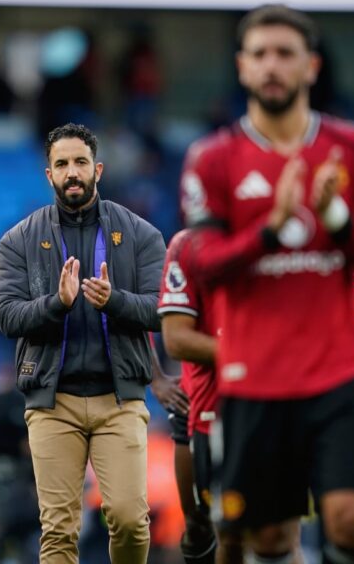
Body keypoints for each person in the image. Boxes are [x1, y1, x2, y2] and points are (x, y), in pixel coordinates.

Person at [178, 5, 354, 564]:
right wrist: (270, 233)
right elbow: (203, 263)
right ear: (242, 67)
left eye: (285, 54)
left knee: (350, 523)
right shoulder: (212, 159)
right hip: (255, 376)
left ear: (311, 66)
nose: (271, 66)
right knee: (271, 538)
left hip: (338, 371)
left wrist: (335, 219)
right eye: (260, 55)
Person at [0, 122, 166, 563]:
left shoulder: (142, 235)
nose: (72, 172)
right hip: (53, 403)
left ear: (99, 169)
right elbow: (7, 316)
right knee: (58, 529)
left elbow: (162, 309)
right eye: (62, 164)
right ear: (47, 174)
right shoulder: (18, 241)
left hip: (119, 400)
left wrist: (114, 301)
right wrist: (57, 304)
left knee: (129, 518)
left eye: (80, 162)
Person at [157, 228, 219, 564]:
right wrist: (155, 379)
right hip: (197, 402)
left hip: (262, 399)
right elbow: (172, 337)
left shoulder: (279, 239)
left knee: (265, 530)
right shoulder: (186, 246)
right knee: (198, 526)